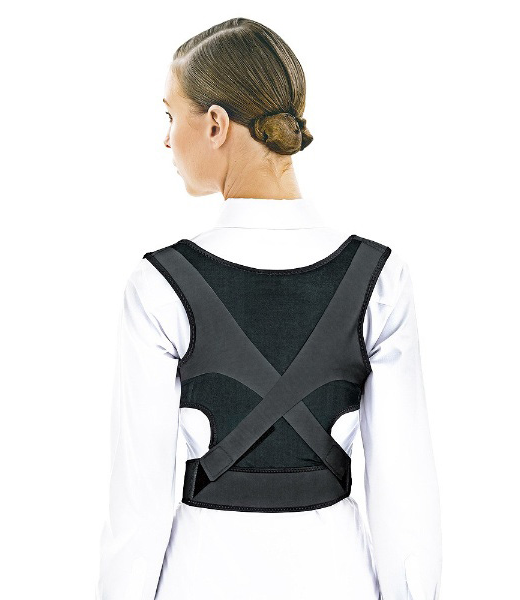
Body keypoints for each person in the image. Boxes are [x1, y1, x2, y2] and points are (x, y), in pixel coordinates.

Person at [96, 17, 442, 600]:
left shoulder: (160, 285)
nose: (165, 140)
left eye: (170, 115)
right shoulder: (379, 279)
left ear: (215, 125)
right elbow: (404, 498)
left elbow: (138, 504)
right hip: (337, 581)